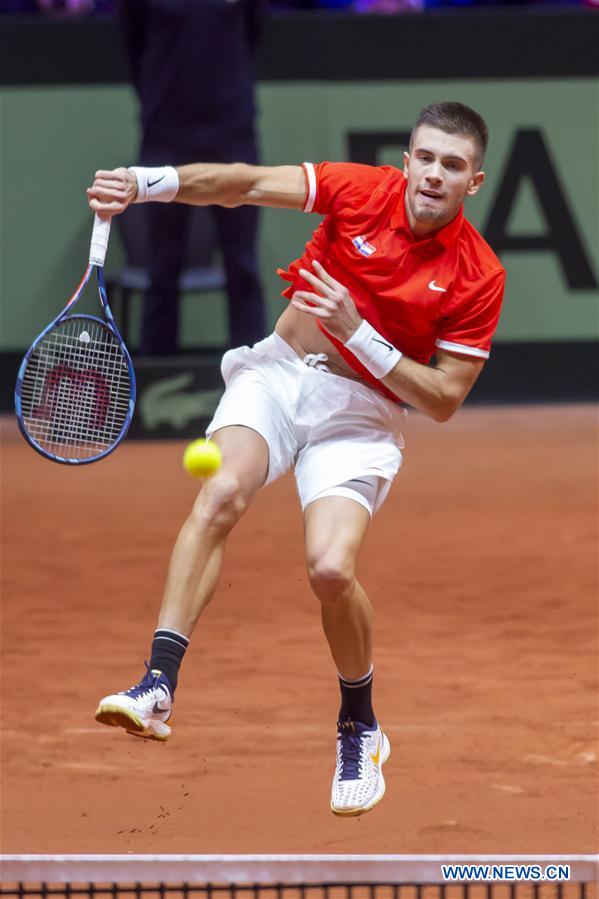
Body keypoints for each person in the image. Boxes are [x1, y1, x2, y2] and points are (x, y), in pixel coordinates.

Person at [88, 101, 505, 817]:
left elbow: (441, 398)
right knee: (221, 494)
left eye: (452, 165)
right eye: (426, 157)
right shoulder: (359, 189)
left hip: (362, 417)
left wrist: (360, 334)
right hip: (278, 375)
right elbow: (240, 183)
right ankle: (156, 683)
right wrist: (144, 182)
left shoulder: (477, 274)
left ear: (474, 181)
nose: (434, 174)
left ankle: (359, 725)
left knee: (330, 568)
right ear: (406, 159)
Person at [117, 0, 267, 354]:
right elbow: (130, 41)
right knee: (162, 267)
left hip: (232, 131)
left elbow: (254, 31)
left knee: (242, 266)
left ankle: (255, 388)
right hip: (165, 134)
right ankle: (156, 391)